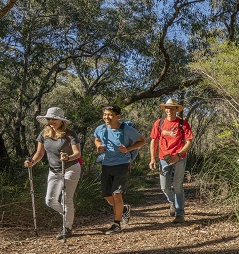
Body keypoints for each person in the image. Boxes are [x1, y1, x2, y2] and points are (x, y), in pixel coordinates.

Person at [24, 107, 81, 240]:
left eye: (54, 119)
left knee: (66, 199)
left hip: (70, 168)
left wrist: (68, 157)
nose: (51, 121)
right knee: (50, 201)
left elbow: (77, 153)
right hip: (54, 170)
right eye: (49, 119)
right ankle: (69, 214)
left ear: (61, 121)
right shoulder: (44, 134)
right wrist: (31, 162)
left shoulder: (70, 134)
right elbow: (40, 153)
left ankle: (67, 227)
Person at [93, 104, 146, 234]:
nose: (107, 117)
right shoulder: (100, 129)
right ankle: (123, 209)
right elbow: (97, 139)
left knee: (117, 194)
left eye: (110, 115)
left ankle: (116, 224)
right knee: (107, 196)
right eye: (105, 114)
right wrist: (98, 146)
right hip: (106, 164)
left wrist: (127, 149)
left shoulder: (126, 129)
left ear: (118, 116)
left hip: (122, 164)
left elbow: (142, 141)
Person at [149, 98, 194, 223]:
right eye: (167, 108)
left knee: (178, 186)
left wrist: (179, 155)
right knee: (164, 187)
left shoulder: (182, 123)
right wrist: (153, 158)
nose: (169, 110)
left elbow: (189, 142)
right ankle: (173, 202)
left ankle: (180, 214)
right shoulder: (159, 123)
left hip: (179, 158)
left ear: (176, 110)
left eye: (172, 108)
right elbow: (154, 141)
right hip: (164, 158)